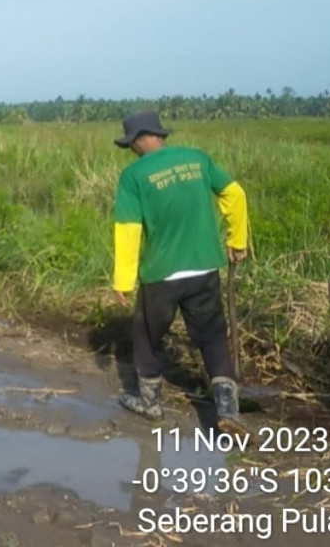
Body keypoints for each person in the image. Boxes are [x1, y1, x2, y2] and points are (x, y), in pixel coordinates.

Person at [111, 111, 249, 437]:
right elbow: (235, 194)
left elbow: (128, 230)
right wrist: (237, 240)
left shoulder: (133, 176)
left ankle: (150, 404)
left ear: (138, 140)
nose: (131, 150)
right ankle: (228, 410)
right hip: (204, 266)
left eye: (131, 143)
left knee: (148, 336)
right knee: (213, 336)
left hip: (162, 273)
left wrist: (123, 281)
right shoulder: (197, 159)